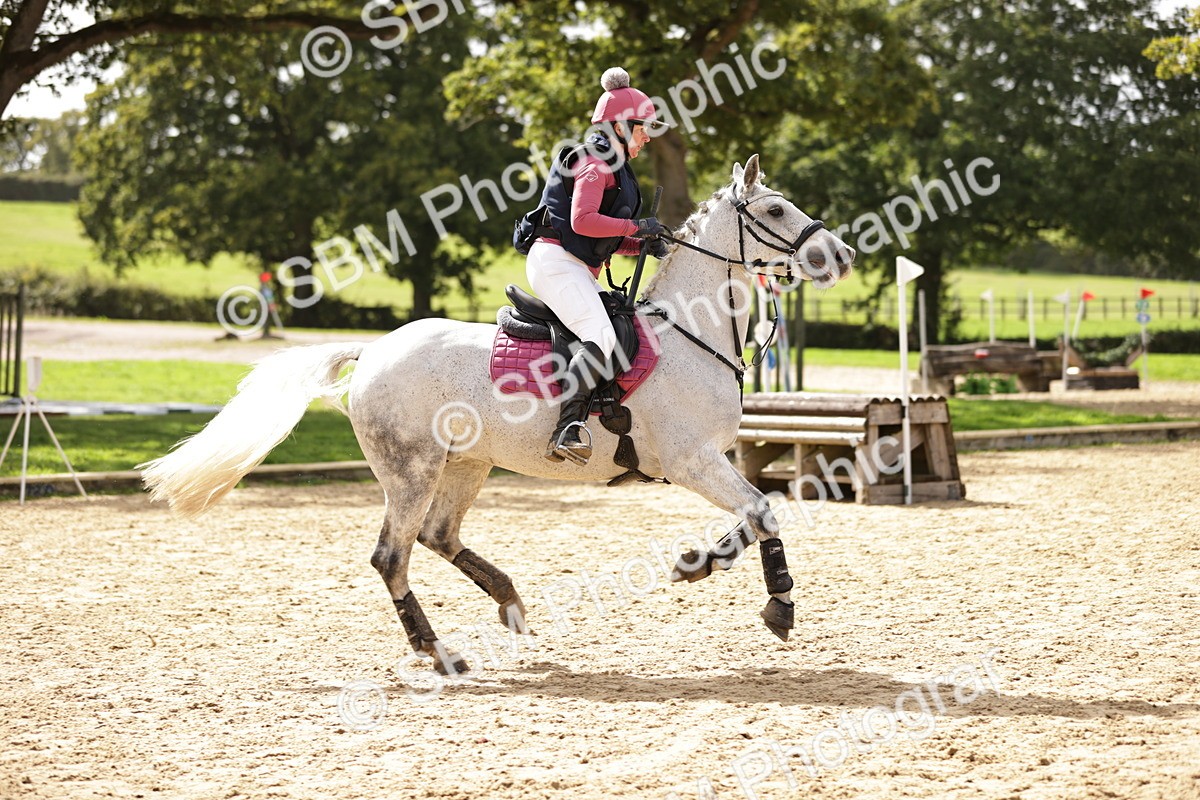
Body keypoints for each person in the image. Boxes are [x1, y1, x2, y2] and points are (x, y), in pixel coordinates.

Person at [524, 67, 670, 466]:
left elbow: (600, 237)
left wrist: (642, 243)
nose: (647, 136)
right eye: (643, 128)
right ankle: (566, 430)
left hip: (572, 263)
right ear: (621, 124)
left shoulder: (615, 163)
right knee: (600, 334)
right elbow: (581, 221)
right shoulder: (596, 161)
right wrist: (635, 226)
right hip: (555, 262)